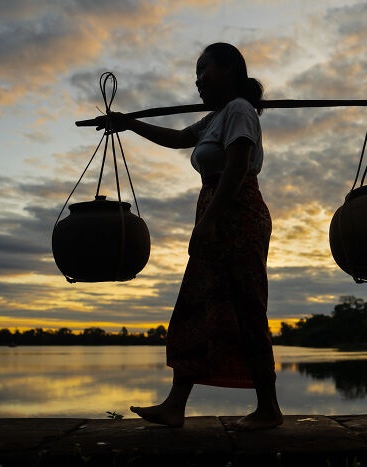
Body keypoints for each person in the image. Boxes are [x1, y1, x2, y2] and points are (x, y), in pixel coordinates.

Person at [95, 42, 282, 431]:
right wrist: (128, 123)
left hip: (238, 214)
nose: (197, 80)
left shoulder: (239, 111)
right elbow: (179, 138)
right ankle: (174, 405)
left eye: (204, 70)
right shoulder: (216, 118)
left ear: (229, 69)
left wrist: (210, 221)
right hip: (215, 213)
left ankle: (269, 409)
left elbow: (237, 167)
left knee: (247, 307)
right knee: (197, 304)